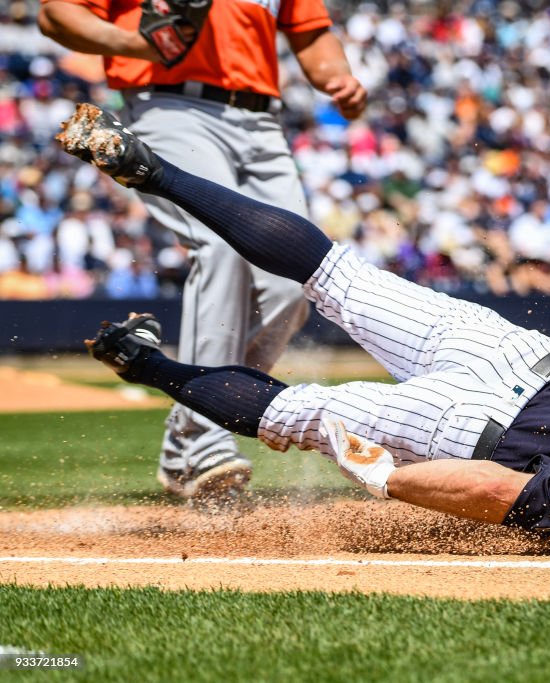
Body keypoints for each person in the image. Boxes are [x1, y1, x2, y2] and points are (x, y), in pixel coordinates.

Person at [60, 103, 550, 548]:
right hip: (470, 428)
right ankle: (144, 361)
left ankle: (156, 170)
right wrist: (390, 478)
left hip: (521, 353)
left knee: (334, 274)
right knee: (294, 412)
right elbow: (492, 490)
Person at [38, 0, 368, 499]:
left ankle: (189, 423)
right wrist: (133, 44)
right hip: (170, 104)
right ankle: (206, 434)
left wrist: (340, 78)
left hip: (261, 121)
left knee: (298, 274)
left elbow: (309, 31)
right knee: (221, 244)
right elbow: (57, 15)